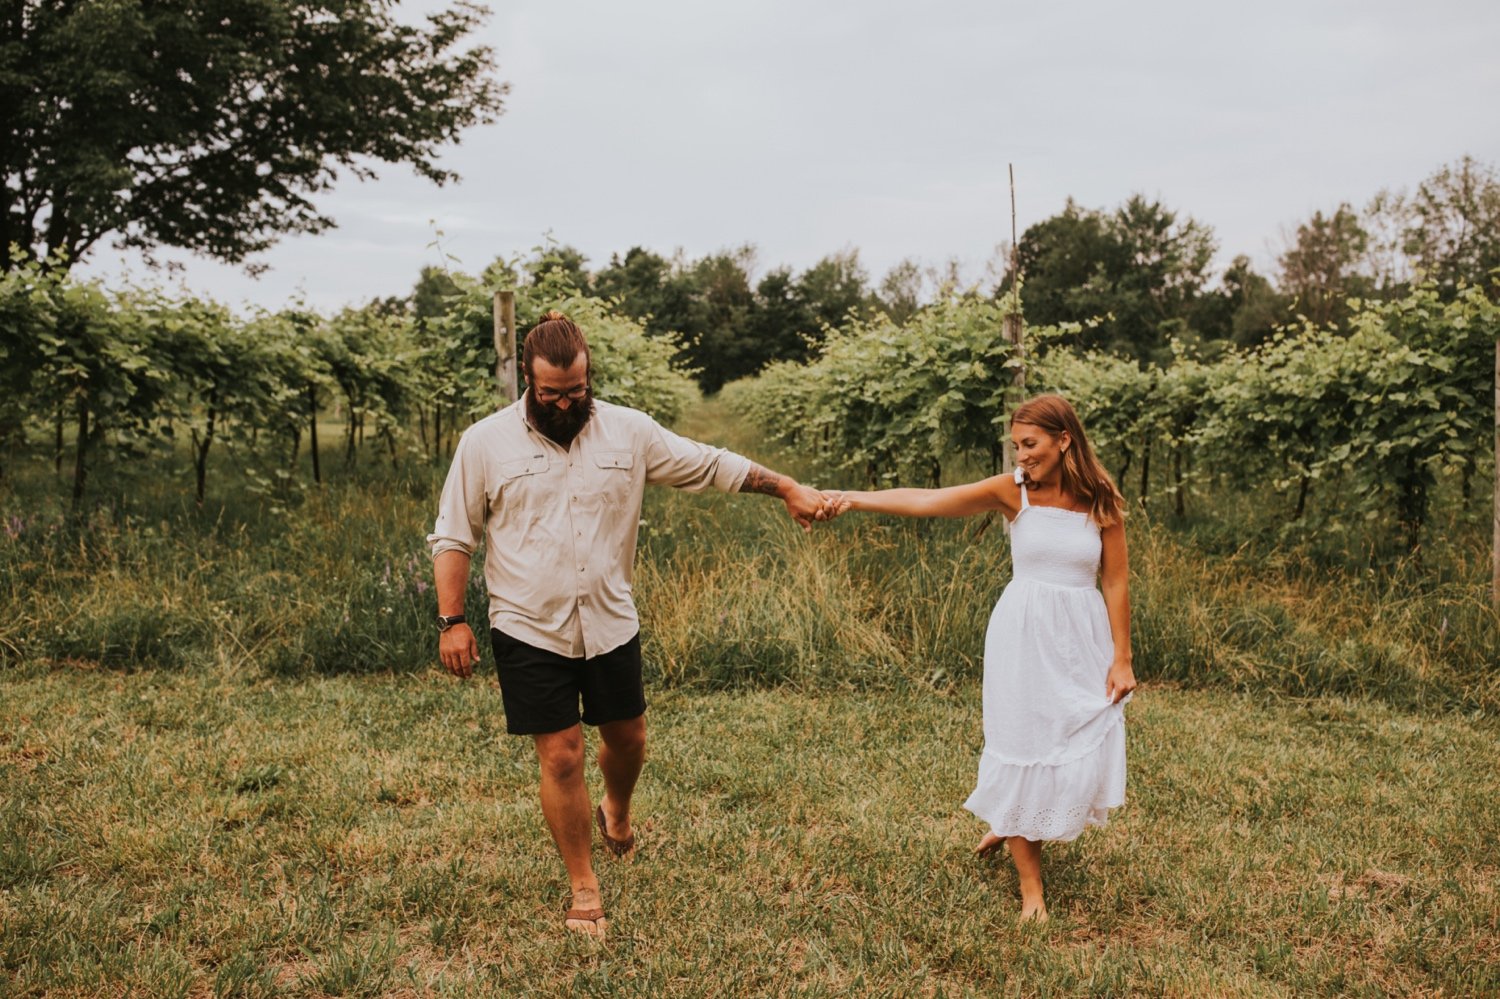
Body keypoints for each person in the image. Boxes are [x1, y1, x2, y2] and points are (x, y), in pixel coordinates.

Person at [427, 310, 827, 938]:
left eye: (577, 390)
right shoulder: (484, 442)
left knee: (629, 738)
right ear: (527, 381)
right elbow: (454, 535)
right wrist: (453, 620)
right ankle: (583, 885)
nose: (566, 403)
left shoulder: (629, 432)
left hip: (610, 620)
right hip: (527, 623)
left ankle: (617, 807)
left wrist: (786, 487)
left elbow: (710, 464)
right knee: (562, 756)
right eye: (552, 393)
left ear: (590, 377)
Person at [821, 394, 1135, 921]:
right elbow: (928, 500)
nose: (1021, 455)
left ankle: (1013, 819)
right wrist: (852, 498)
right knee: (1021, 739)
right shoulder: (1012, 493)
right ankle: (1031, 887)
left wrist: (1122, 657)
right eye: (1016, 445)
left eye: (1030, 445)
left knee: (1071, 736)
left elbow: (1117, 578)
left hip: (1081, 637)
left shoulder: (1100, 498)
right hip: (1022, 634)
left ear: (1064, 440)